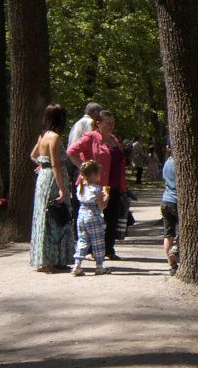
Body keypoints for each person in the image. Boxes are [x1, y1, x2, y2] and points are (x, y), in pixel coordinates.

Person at [67, 109, 129, 259]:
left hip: (112, 184)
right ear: (98, 124)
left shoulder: (114, 139)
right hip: (94, 185)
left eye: (113, 123)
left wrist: (123, 185)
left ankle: (108, 249)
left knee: (111, 217)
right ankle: (89, 250)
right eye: (108, 123)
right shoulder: (91, 137)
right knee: (93, 219)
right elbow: (71, 151)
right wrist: (85, 169)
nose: (111, 126)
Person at [28, 104, 74, 273]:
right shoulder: (54, 137)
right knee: (56, 217)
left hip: (43, 179)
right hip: (53, 180)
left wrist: (42, 164)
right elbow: (55, 164)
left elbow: (33, 155)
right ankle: (55, 258)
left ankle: (45, 258)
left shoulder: (43, 136)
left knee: (45, 216)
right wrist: (62, 188)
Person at [71, 160, 109, 277]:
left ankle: (77, 265)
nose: (99, 176)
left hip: (81, 215)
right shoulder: (96, 189)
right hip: (94, 216)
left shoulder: (80, 188)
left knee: (82, 240)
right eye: (98, 173)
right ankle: (99, 266)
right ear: (93, 174)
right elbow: (102, 206)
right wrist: (106, 196)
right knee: (97, 241)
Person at [161, 144, 178, 275]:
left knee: (168, 235)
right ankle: (176, 249)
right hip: (177, 201)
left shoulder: (167, 162)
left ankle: (171, 266)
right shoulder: (180, 163)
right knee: (186, 229)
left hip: (166, 200)